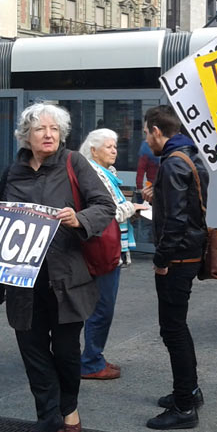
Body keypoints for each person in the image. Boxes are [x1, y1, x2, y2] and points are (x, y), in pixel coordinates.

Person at [0, 103, 115, 432]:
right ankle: (49, 418)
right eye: (41, 129)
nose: (49, 134)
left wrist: (79, 218)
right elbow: (0, 203)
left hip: (67, 279)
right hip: (21, 280)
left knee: (68, 352)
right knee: (33, 351)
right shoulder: (14, 170)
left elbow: (104, 205)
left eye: (55, 129)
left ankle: (68, 409)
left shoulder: (74, 163)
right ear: (25, 135)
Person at [142, 105, 209, 430]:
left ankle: (184, 406)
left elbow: (176, 220)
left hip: (178, 258)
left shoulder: (171, 164)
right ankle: (189, 391)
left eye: (146, 133)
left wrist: (161, 260)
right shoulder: (191, 157)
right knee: (178, 327)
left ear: (157, 131)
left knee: (173, 329)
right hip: (190, 254)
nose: (146, 140)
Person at [78, 129, 148, 381]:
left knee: (101, 307)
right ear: (93, 151)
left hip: (110, 249)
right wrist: (132, 208)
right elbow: (105, 213)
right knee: (102, 308)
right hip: (102, 251)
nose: (114, 151)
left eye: (115, 146)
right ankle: (91, 361)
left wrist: (131, 209)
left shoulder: (107, 174)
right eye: (109, 147)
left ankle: (93, 356)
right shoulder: (94, 175)